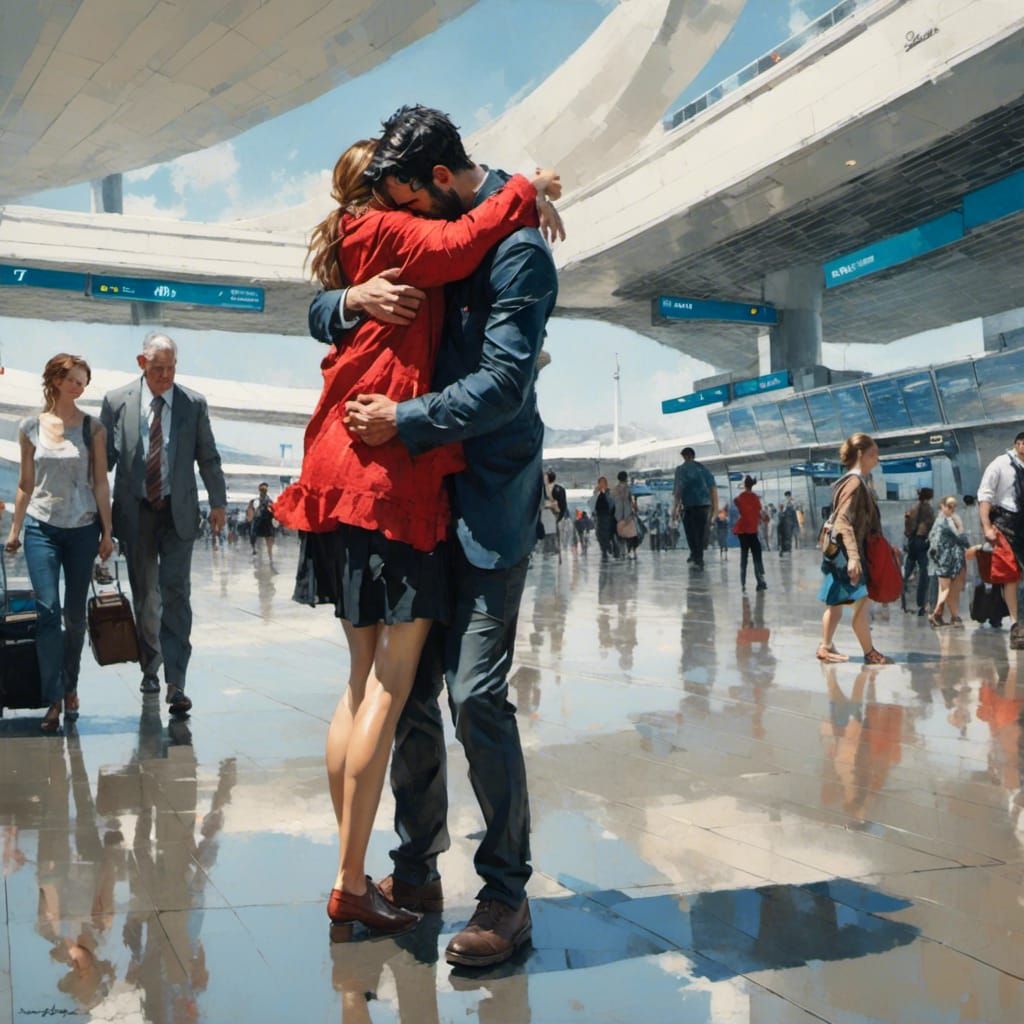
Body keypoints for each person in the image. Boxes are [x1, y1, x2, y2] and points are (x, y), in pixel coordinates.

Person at [304, 105, 561, 964]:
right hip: (415, 494)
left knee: (476, 694)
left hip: (480, 498)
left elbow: (501, 386)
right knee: (405, 695)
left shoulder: (516, 250)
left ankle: (506, 893)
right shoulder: (424, 226)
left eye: (402, 192)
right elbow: (321, 306)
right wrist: (345, 300)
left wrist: (405, 418)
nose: (393, 207)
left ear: (438, 181)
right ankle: (413, 868)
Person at [100, 333, 227, 717]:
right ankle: (149, 666)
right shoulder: (116, 401)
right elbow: (101, 462)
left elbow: (208, 457)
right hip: (136, 512)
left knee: (176, 593)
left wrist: (218, 502)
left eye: (171, 368)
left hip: (178, 511)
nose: (166, 375)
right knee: (146, 595)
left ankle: (177, 681)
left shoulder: (193, 404)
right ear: (141, 363)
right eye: (158, 368)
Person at [4, 355, 114, 732]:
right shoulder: (30, 427)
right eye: (72, 379)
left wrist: (107, 531)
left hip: (82, 527)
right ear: (54, 380)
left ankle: (71, 687)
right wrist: (15, 529)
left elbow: (101, 482)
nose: (78, 387)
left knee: (74, 616)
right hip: (41, 527)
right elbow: (25, 483)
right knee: (48, 610)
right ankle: (53, 696)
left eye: (83, 382)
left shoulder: (93, 429)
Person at [817, 433, 892, 666]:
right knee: (862, 601)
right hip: (847, 555)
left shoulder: (847, 481)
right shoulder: (855, 483)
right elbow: (843, 521)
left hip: (837, 554)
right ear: (861, 454)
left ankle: (826, 647)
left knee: (836, 604)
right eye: (873, 454)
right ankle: (868, 653)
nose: (876, 460)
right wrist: (853, 557)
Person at [977, 431, 1024, 651]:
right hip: (1006, 524)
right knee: (1011, 576)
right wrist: (987, 527)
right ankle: (1017, 625)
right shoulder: (1000, 464)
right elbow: (985, 496)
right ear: (1018, 444)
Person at [927, 496, 971, 628]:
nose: (952, 509)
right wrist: (960, 526)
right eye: (949, 506)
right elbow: (962, 539)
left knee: (949, 590)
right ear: (942, 506)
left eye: (954, 506)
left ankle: (952, 615)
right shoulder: (945, 523)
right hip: (947, 561)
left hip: (944, 561)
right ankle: (935, 614)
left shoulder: (941, 521)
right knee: (946, 589)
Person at [672, 447, 717, 571]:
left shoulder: (680, 470)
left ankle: (696, 556)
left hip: (689, 506)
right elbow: (712, 486)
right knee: (701, 532)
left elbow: (678, 490)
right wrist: (714, 507)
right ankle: (698, 556)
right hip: (704, 505)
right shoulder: (702, 468)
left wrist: (675, 508)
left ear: (684, 456)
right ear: (693, 455)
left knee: (691, 532)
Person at [902, 487, 934, 616]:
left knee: (907, 571)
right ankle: (921, 603)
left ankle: (904, 602)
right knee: (924, 574)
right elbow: (931, 525)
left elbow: (908, 521)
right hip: (922, 541)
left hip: (912, 541)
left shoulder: (914, 507)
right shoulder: (928, 509)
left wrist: (909, 534)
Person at [733, 475, 767, 592]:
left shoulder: (740, 498)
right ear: (752, 485)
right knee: (757, 556)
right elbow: (759, 513)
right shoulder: (756, 498)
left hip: (743, 531)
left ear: (744, 485)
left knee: (744, 556)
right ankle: (760, 581)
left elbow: (737, 503)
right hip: (753, 531)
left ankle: (743, 583)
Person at [612, 471, 639, 560]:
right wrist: (635, 506)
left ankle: (622, 552)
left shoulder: (615, 489)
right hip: (628, 516)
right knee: (632, 536)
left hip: (618, 516)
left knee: (621, 535)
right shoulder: (629, 489)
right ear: (626, 478)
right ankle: (632, 552)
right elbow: (631, 502)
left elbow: (613, 503)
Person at [590, 476, 617, 561]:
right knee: (600, 535)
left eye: (603, 483)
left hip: (609, 517)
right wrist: (596, 493)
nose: (601, 485)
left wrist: (604, 493)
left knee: (609, 535)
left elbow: (611, 504)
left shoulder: (609, 492)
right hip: (599, 517)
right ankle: (604, 551)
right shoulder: (596, 493)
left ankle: (610, 550)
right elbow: (592, 504)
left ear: (606, 484)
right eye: (600, 483)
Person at [250, 482, 277, 563]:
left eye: (263, 491)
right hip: (265, 523)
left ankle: (259, 553)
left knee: (257, 537)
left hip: (263, 522)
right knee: (267, 541)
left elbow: (255, 512)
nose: (262, 492)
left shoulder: (260, 501)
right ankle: (269, 557)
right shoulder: (266, 501)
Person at [778, 491, 798, 556]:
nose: (788, 497)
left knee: (790, 535)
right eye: (787, 496)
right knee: (786, 535)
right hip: (785, 521)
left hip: (791, 521)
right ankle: (785, 548)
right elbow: (782, 510)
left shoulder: (793, 502)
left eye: (788, 496)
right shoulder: (784, 502)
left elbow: (795, 509)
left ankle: (789, 548)